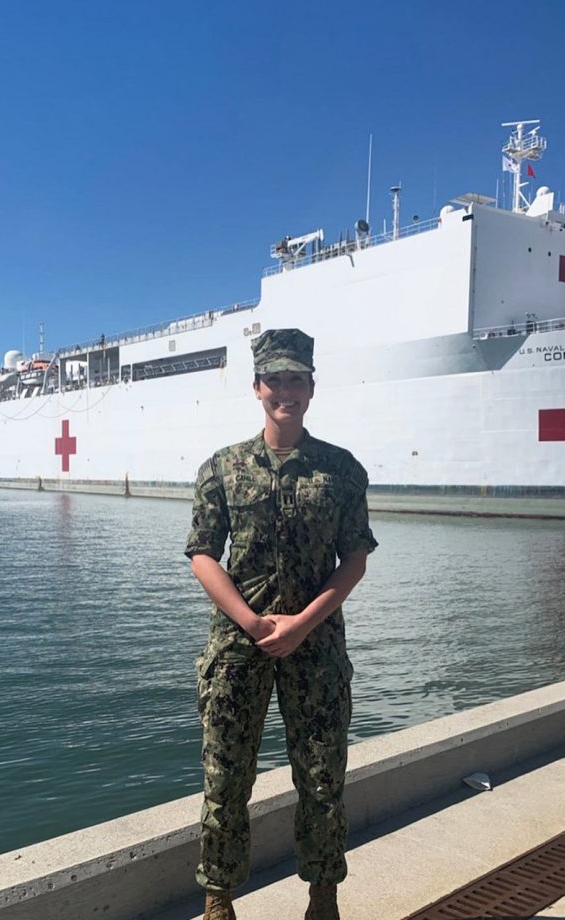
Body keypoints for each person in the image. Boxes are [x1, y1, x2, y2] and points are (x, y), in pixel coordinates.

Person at [185, 328, 377, 920]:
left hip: (315, 646)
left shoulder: (342, 470)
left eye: (297, 379)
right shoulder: (222, 468)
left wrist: (301, 625)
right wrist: (249, 622)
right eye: (275, 380)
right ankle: (219, 902)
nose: (285, 391)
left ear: (312, 388)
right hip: (237, 648)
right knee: (225, 781)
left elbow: (355, 558)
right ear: (257, 387)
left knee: (322, 780)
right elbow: (202, 555)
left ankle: (323, 900)